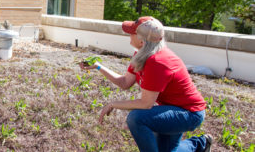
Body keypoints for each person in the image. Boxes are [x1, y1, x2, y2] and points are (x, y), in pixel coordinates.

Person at [79, 16, 213, 152]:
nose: (129, 35)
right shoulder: (141, 55)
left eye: (132, 32)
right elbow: (125, 82)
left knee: (136, 118)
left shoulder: (157, 62)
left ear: (142, 41)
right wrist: (98, 67)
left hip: (189, 114)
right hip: (171, 109)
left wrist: (112, 104)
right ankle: (201, 144)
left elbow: (146, 104)